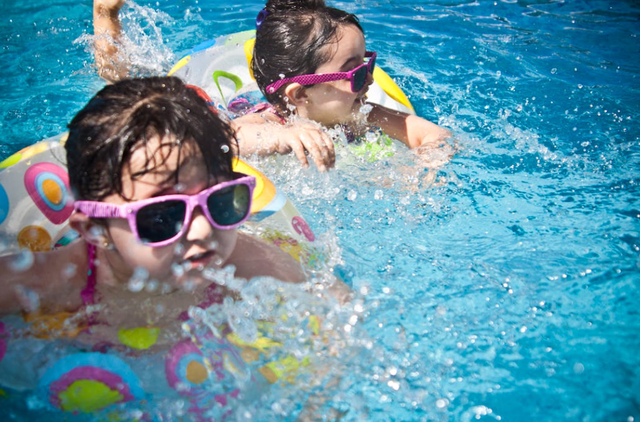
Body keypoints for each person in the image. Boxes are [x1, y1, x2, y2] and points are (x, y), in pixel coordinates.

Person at [0, 76, 306, 348]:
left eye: (220, 201)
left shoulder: (252, 267)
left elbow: (333, 316)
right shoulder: (44, 286)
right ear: (96, 229)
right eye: (163, 216)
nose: (202, 231)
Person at [92, 0, 451, 172]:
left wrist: (422, 169)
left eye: (368, 64)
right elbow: (224, 140)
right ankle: (106, 16)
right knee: (130, 90)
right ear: (299, 94)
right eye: (355, 73)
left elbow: (432, 135)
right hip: (233, 105)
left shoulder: (361, 114)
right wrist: (280, 138)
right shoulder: (270, 123)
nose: (369, 81)